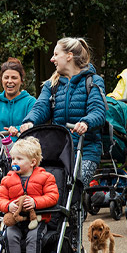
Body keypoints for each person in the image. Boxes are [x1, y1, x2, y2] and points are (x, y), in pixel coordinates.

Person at [20, 37, 107, 188]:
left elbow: (98, 111)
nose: (52, 59)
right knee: (50, 187)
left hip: (85, 149)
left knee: (74, 186)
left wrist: (85, 122)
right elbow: (40, 107)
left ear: (69, 56)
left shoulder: (93, 81)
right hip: (58, 150)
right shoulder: (51, 85)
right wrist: (30, 121)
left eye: (55, 54)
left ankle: (83, 201)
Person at [0, 137, 59, 253]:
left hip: (37, 220)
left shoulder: (46, 177)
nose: (14, 162)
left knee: (33, 237)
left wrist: (36, 202)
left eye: (19, 159)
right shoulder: (7, 179)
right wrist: (8, 205)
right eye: (13, 159)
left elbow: (53, 197)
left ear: (32, 162)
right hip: (16, 221)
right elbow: (0, 199)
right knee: (9, 234)